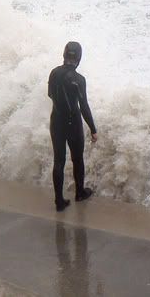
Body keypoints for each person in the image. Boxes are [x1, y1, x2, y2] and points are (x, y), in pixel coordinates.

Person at [48, 41, 98, 212]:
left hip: (56, 121)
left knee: (58, 161)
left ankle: (59, 201)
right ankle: (79, 193)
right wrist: (93, 129)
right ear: (79, 58)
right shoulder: (79, 80)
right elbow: (83, 107)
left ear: (64, 55)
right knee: (77, 159)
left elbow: (50, 94)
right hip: (73, 123)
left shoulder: (54, 73)